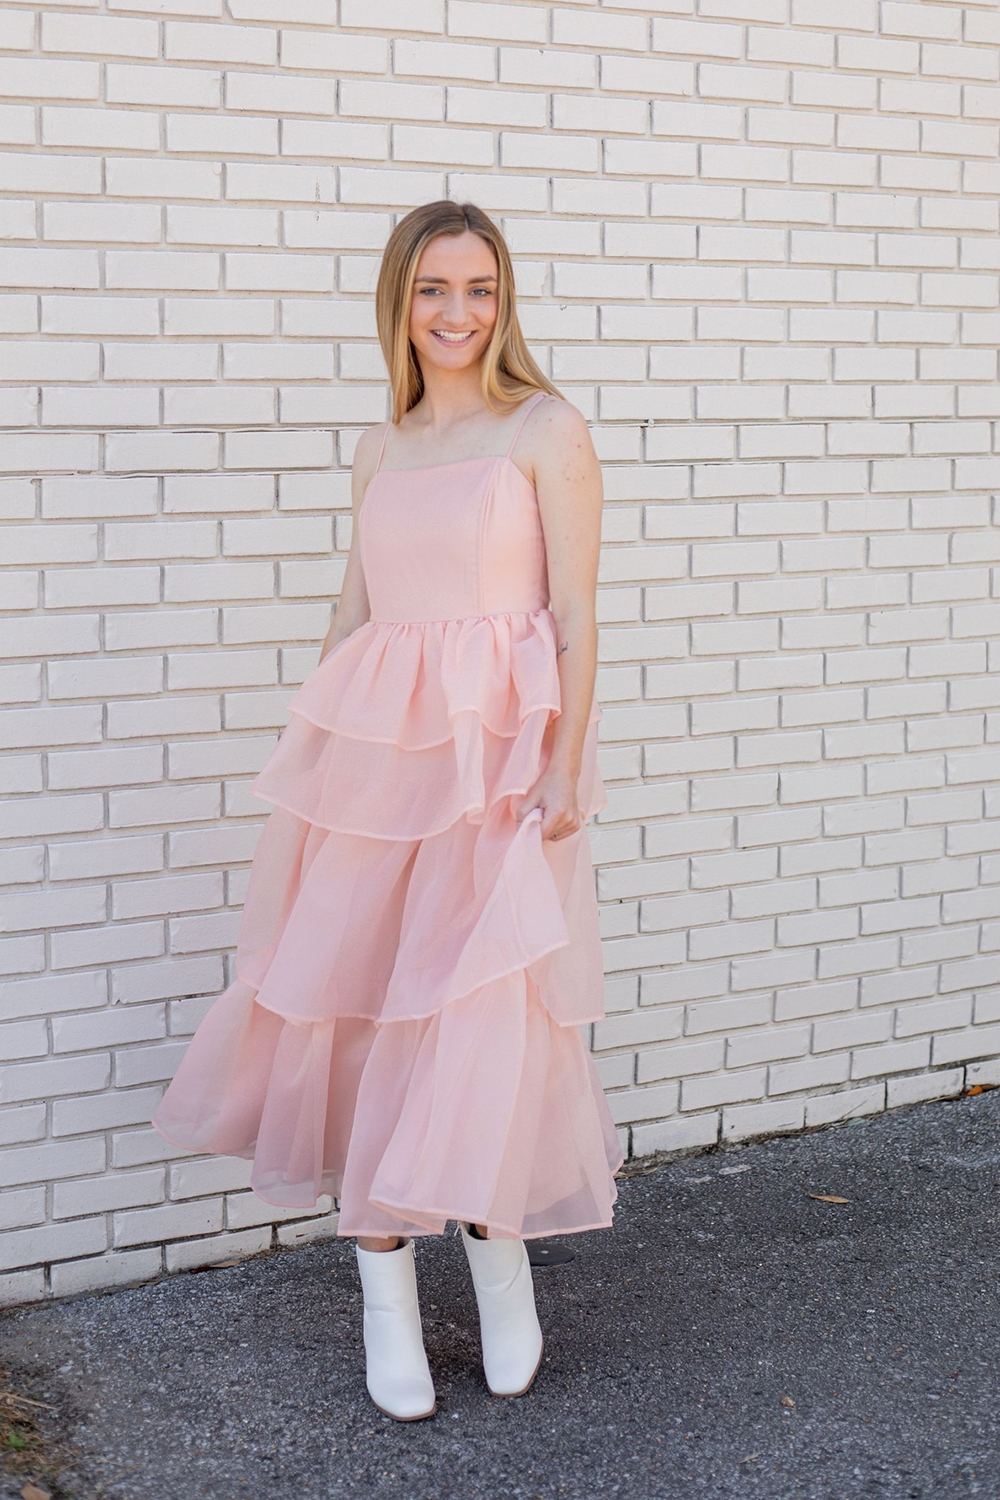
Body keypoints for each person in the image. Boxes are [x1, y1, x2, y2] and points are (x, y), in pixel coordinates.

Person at [151, 199, 623, 1422]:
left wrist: (569, 763)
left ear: (503, 298)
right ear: (397, 303)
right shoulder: (381, 446)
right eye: (431, 290)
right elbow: (356, 618)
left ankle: (500, 1265)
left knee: (470, 1020)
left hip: (491, 771)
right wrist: (314, 764)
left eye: (477, 288)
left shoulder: (545, 429)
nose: (456, 313)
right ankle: (384, 1302)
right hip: (373, 780)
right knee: (355, 1017)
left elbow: (575, 616)